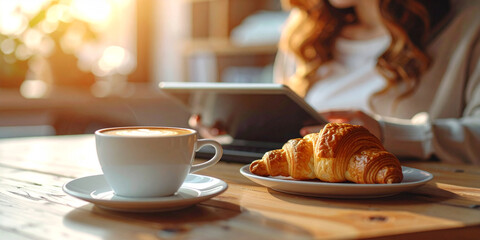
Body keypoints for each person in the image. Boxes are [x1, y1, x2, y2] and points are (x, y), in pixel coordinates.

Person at [275, 0, 480, 164]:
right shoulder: (305, 31)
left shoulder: (467, 25)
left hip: (421, 205)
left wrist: (385, 134)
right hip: (307, 202)